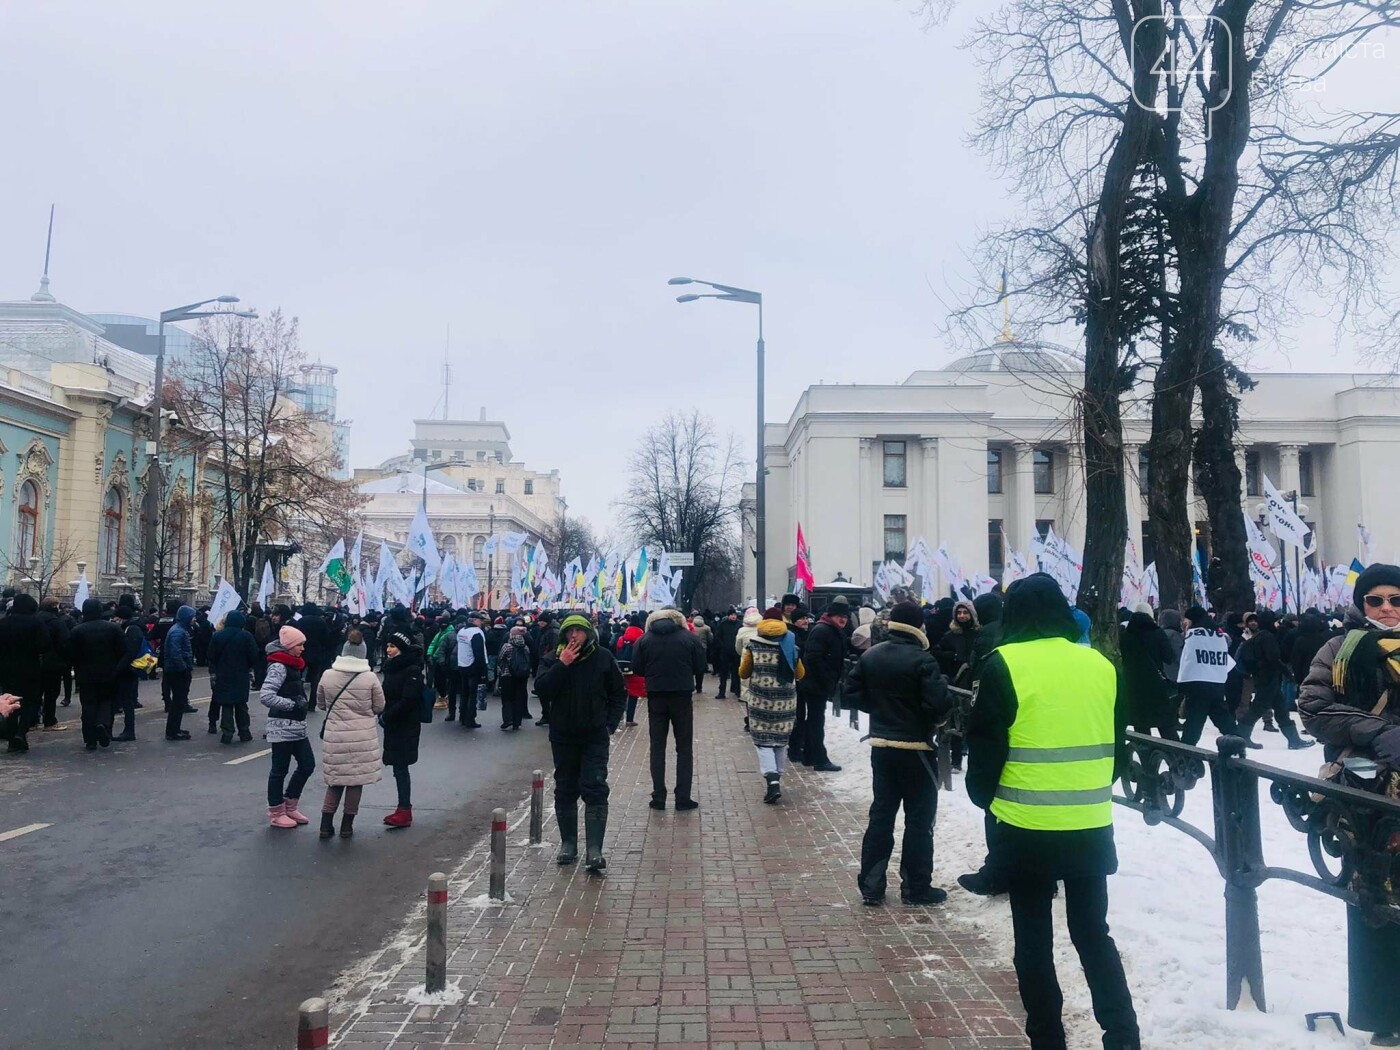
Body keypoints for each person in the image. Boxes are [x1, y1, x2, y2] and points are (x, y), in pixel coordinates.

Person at [965, 574, 1139, 1050]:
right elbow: (1117, 744)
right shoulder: (1100, 665)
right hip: (1088, 821)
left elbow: (984, 748)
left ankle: (1048, 1038)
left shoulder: (1003, 663)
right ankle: (1122, 1036)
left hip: (1024, 825)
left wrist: (985, 799)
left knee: (1033, 939)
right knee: (1092, 933)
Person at [1298, 565, 1400, 1046]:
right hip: (1372, 798)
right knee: (1377, 896)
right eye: (1375, 600)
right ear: (1361, 604)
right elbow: (1315, 710)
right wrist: (1380, 732)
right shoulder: (1339, 650)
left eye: (1395, 599)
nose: (1385, 608)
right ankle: (1386, 1012)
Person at [845, 600, 952, 906]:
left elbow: (851, 694)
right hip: (917, 750)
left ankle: (872, 884)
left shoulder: (871, 655)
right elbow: (940, 706)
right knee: (919, 820)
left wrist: (880, 710)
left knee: (881, 816)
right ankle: (916, 887)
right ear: (919, 626)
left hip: (882, 747)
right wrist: (928, 718)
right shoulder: (923, 660)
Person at [533, 614, 626, 873]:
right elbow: (542, 689)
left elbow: (619, 692)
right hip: (563, 736)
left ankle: (594, 849)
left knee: (595, 787)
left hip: (594, 736)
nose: (574, 636)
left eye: (579, 631)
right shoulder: (552, 658)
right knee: (565, 788)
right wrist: (561, 665)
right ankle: (568, 844)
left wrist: (609, 724)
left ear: (588, 634)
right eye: (569, 631)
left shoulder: (603, 657)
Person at [631, 607, 708, 811]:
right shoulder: (689, 638)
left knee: (657, 747)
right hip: (682, 695)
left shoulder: (644, 639)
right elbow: (701, 666)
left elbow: (637, 668)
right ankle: (683, 797)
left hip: (656, 696)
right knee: (684, 747)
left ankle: (658, 797)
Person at [316, 631, 384, 839]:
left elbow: (320, 703)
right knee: (355, 782)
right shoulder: (370, 677)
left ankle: (325, 825)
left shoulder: (328, 675)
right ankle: (347, 826)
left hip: (335, 735)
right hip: (362, 736)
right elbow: (379, 706)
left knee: (335, 781)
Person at [739, 606, 804, 803]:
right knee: (780, 740)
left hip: (760, 701)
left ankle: (772, 778)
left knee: (763, 741)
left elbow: (743, 672)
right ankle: (777, 777)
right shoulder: (792, 646)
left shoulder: (753, 645)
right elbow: (800, 674)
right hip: (785, 701)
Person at [1239, 608, 1315, 749]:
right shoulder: (1267, 637)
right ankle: (1241, 736)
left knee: (1281, 709)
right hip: (1269, 678)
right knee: (1258, 708)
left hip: (1264, 677)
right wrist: (1287, 673)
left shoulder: (1258, 636)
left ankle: (1293, 740)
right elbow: (1273, 658)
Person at [262, 625, 315, 829]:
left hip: (297, 725)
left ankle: (290, 804)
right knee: (279, 770)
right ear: (289, 646)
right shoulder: (279, 666)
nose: (303, 648)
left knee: (307, 765)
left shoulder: (294, 665)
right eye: (300, 644)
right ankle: (276, 811)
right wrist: (292, 704)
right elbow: (267, 696)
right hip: (282, 725)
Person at [791, 594, 849, 772]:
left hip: (817, 683)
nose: (843, 619)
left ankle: (809, 755)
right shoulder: (823, 630)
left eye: (846, 617)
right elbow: (813, 658)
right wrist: (827, 679)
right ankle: (819, 758)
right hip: (815, 684)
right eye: (840, 616)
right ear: (830, 615)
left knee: (814, 720)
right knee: (816, 721)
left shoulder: (829, 629)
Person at [1176, 606, 1249, 748]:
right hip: (1216, 682)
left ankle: (1185, 753)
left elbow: (1188, 660)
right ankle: (1238, 743)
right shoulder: (1218, 635)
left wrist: (1182, 685)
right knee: (1221, 716)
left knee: (1194, 721)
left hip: (1197, 683)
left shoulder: (1193, 635)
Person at [67, 597, 127, 752]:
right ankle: (104, 724)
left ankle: (90, 740)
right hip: (109, 672)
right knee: (106, 701)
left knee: (88, 705)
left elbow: (72, 654)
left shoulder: (77, 630)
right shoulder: (113, 628)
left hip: (85, 674)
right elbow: (123, 650)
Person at [380, 630, 424, 829]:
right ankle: (403, 808)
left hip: (405, 723)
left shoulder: (412, 670)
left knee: (401, 766)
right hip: (393, 722)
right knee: (398, 767)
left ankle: (404, 809)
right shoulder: (392, 667)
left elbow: (409, 700)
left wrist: (387, 715)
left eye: (393, 646)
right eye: (388, 646)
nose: (388, 650)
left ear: (402, 648)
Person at [1120, 604, 1179, 740]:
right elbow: (1169, 658)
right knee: (1166, 725)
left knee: (1141, 728)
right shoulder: (1158, 633)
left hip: (1133, 686)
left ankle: (1147, 759)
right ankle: (1178, 758)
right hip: (1156, 685)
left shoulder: (1126, 635)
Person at [0, 593, 47, 750]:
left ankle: (12, 736)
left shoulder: (3, 623)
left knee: (10, 701)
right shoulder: (36, 623)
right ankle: (22, 731)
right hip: (30, 668)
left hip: (6, 669)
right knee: (31, 701)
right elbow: (44, 646)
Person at [209, 609, 259, 744]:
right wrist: (248, 667)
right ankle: (244, 731)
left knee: (226, 705)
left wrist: (213, 673)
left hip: (223, 674)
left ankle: (227, 732)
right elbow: (254, 655)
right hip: (241, 674)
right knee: (241, 704)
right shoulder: (247, 636)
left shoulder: (217, 636)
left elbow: (212, 657)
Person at [112, 594, 146, 741]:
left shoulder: (132, 629)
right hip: (128, 669)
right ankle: (127, 730)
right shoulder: (133, 626)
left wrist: (118, 668)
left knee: (127, 701)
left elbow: (130, 652)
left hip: (128, 670)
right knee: (126, 700)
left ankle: (129, 731)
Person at [37, 596, 72, 731]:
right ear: (54, 607)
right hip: (53, 662)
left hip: (34, 662)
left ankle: (32, 720)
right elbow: (64, 642)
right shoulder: (57, 622)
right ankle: (49, 720)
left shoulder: (34, 619)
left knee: (35, 693)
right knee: (51, 693)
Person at [162, 605, 196, 740]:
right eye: (192, 616)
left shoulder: (180, 630)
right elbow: (175, 652)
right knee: (178, 701)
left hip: (176, 669)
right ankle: (173, 731)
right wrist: (183, 668)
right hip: (177, 671)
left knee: (179, 701)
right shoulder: (178, 632)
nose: (194, 619)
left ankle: (175, 728)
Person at [455, 613, 486, 729]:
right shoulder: (476, 633)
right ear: (474, 620)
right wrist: (483, 672)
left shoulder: (462, 631)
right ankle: (470, 719)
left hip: (462, 664)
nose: (481, 622)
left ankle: (462, 716)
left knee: (465, 693)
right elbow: (479, 654)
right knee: (473, 695)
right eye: (480, 620)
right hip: (473, 666)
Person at [935, 600, 979, 682]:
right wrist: (952, 656)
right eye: (959, 613)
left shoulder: (978, 633)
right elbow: (936, 652)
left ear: (972, 614)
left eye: (965, 612)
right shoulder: (949, 635)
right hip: (955, 679)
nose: (962, 616)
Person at [499, 624, 533, 730]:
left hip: (507, 675)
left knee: (507, 698)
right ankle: (516, 722)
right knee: (518, 698)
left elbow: (500, 658)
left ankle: (507, 719)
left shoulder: (507, 646)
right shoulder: (525, 647)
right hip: (521, 676)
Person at [615, 616, 645, 727]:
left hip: (622, 669)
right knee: (633, 694)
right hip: (636, 670)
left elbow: (617, 650)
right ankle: (629, 719)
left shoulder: (622, 638)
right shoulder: (642, 638)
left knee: (622, 693)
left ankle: (618, 718)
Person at [714, 608, 742, 699]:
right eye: (731, 614)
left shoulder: (739, 624)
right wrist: (722, 646)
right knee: (724, 673)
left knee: (736, 672)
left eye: (734, 614)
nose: (733, 616)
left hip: (736, 652)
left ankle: (737, 690)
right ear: (728, 615)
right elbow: (717, 637)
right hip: (725, 652)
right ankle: (721, 692)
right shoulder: (723, 624)